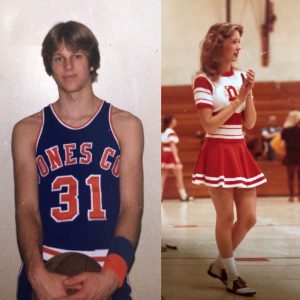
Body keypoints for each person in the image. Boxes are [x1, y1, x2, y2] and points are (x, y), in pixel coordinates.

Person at [12, 21, 144, 300]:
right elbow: (27, 211)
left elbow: (131, 207)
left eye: (77, 56)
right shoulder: (27, 130)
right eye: (59, 58)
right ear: (49, 65)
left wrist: (112, 274)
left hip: (106, 266)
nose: (68, 66)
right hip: (46, 268)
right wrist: (37, 275)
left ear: (92, 62)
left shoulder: (125, 125)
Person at [192, 23, 267, 296]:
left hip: (239, 147)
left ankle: (218, 264)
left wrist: (248, 92)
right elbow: (209, 125)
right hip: (218, 149)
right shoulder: (203, 80)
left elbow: (249, 123)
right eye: (233, 41)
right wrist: (236, 103)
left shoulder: (239, 77)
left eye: (239, 41)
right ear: (217, 45)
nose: (238, 46)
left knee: (248, 218)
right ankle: (232, 276)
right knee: (225, 217)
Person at [161, 115, 193, 201]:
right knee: (179, 176)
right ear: (171, 121)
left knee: (162, 176)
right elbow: (172, 145)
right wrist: (176, 158)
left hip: (164, 154)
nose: (176, 121)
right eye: (174, 119)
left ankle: (159, 197)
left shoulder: (164, 131)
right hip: (170, 155)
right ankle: (183, 196)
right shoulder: (170, 131)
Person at [281, 111, 300, 202]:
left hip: (290, 154)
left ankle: (291, 196)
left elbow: (282, 145)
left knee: (290, 177)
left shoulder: (285, 131)